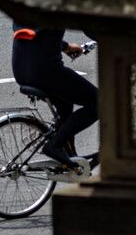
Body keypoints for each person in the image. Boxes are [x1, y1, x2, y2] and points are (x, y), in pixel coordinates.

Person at [12, 24, 98, 169]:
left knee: (65, 104)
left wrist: (65, 46)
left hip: (22, 71)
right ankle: (55, 146)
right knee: (99, 103)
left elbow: (38, 33)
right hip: (46, 71)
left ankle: (69, 157)